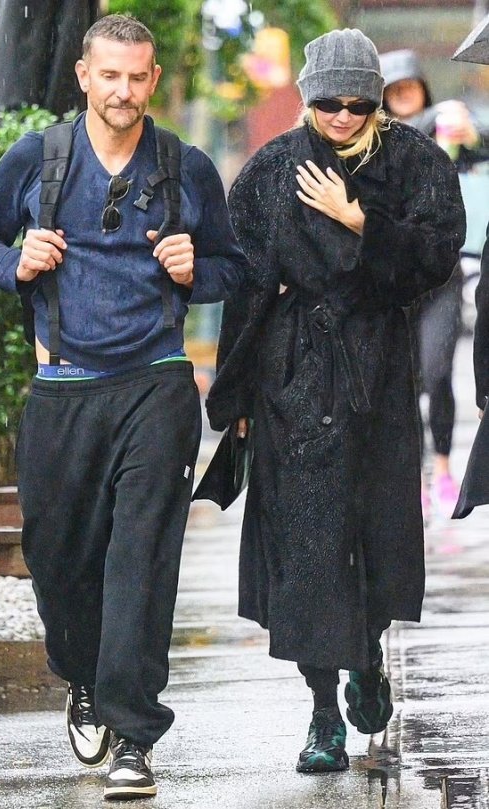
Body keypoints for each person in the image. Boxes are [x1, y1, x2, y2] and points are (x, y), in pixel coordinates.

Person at [0, 14, 246, 801]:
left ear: (153, 80)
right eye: (108, 75)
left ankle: (134, 734)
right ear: (85, 75)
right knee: (58, 560)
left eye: (137, 76)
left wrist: (197, 269)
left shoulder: (182, 166)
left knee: (139, 563)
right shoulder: (39, 157)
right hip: (61, 390)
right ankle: (82, 676)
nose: (122, 90)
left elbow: (232, 266)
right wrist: (16, 261)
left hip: (154, 385)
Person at [206, 28, 465, 773]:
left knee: (376, 531)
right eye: (328, 103)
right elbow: (243, 291)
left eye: (359, 103)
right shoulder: (266, 173)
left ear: (379, 99)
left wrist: (361, 222)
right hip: (292, 376)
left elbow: (435, 261)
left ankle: (367, 660)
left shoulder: (415, 163)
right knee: (305, 547)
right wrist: (239, 398)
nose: (344, 117)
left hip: (377, 373)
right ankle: (321, 712)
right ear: (305, 97)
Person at [380, 48, 486, 521]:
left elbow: (480, 143)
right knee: (407, 379)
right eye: (394, 89)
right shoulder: (375, 140)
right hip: (396, 281)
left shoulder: (449, 131)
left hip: (442, 275)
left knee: (437, 370)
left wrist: (471, 132)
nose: (404, 96)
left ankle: (442, 467)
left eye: (411, 86)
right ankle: (417, 471)